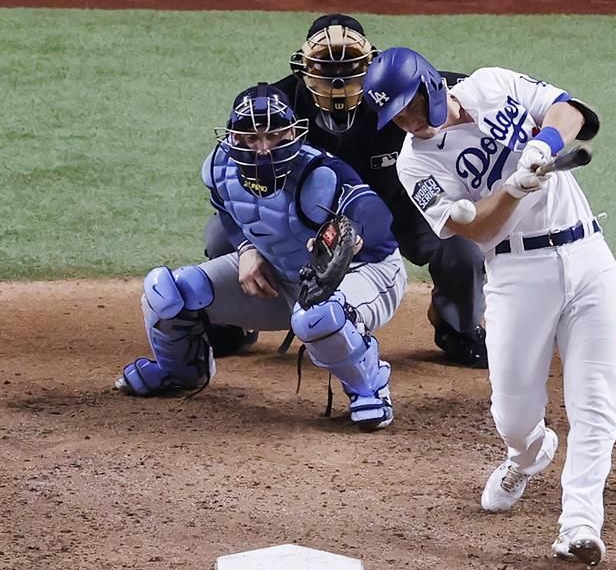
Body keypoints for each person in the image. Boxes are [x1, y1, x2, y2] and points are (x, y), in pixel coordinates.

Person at [363, 48, 616, 565]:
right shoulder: (416, 164)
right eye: (397, 117)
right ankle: (526, 456)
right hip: (518, 275)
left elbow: (572, 113)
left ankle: (580, 524)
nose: (410, 122)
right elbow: (476, 229)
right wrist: (512, 190)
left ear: (432, 85)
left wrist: (543, 144)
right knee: (513, 415)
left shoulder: (492, 84)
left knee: (594, 401)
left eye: (412, 106)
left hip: (589, 256)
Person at [115, 83, 406, 431]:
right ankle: (181, 371)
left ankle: (369, 387)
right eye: (251, 138)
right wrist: (247, 248)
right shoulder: (221, 169)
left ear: (293, 134)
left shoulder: (320, 176)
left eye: (275, 135)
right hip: (281, 280)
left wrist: (352, 234)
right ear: (233, 137)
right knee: (167, 291)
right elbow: (227, 209)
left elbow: (376, 216)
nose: (263, 149)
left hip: (366, 273)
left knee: (317, 316)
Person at [204, 14, 488, 368]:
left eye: (351, 67)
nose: (337, 78)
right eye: (323, 68)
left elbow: (462, 88)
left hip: (406, 204)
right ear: (302, 69)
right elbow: (238, 168)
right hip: (308, 218)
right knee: (221, 235)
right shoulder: (280, 107)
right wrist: (248, 246)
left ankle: (456, 327)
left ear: (373, 65)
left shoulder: (397, 88)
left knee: (459, 242)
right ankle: (238, 322)